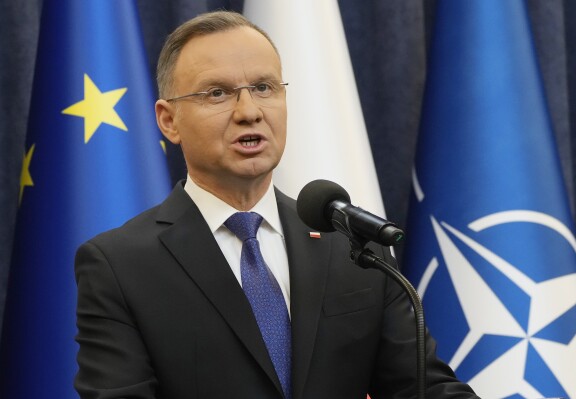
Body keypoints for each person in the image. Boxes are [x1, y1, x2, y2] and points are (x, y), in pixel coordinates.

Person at [74, 10, 479, 399]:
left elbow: (422, 388)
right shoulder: (119, 265)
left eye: (265, 88)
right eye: (218, 93)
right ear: (169, 120)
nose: (249, 112)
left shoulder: (353, 246)